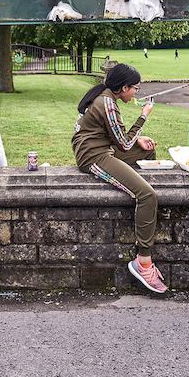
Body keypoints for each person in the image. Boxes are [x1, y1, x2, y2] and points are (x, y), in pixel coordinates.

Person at [72, 63, 166, 294]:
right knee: (147, 195)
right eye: (135, 88)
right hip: (94, 156)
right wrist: (143, 117)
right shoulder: (107, 105)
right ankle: (143, 262)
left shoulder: (105, 97)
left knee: (146, 151)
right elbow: (123, 143)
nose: (136, 92)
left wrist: (138, 141)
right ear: (123, 88)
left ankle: (132, 183)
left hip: (104, 148)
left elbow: (119, 140)